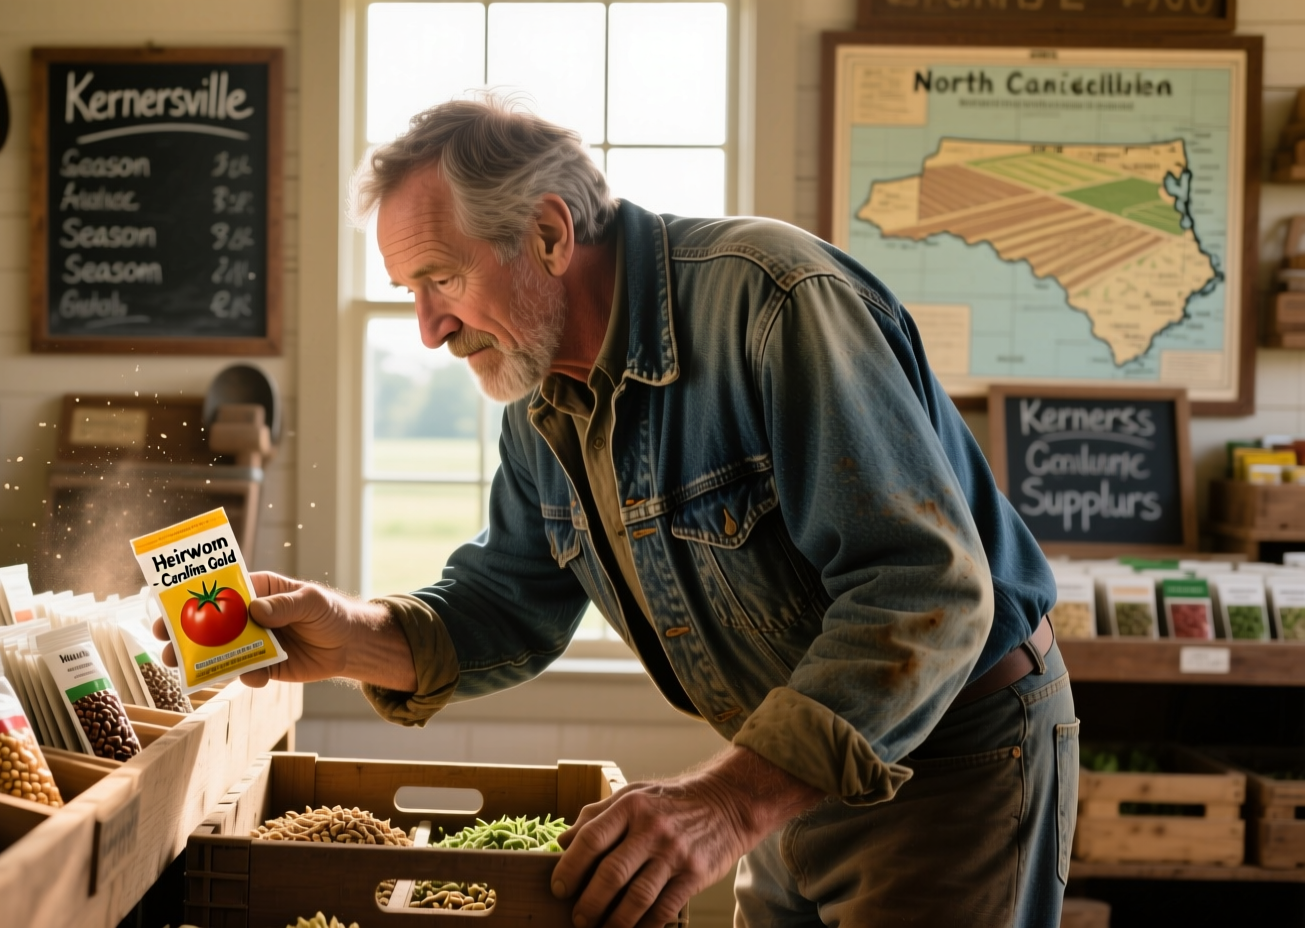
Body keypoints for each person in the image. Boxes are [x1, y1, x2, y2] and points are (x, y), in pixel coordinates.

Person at [158, 97, 1077, 928]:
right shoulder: (540, 397)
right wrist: (350, 637)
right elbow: (506, 602)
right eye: (410, 293)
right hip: (787, 767)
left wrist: (725, 805)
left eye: (442, 279)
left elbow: (925, 590)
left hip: (951, 761)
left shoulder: (775, 302)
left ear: (548, 234)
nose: (430, 329)